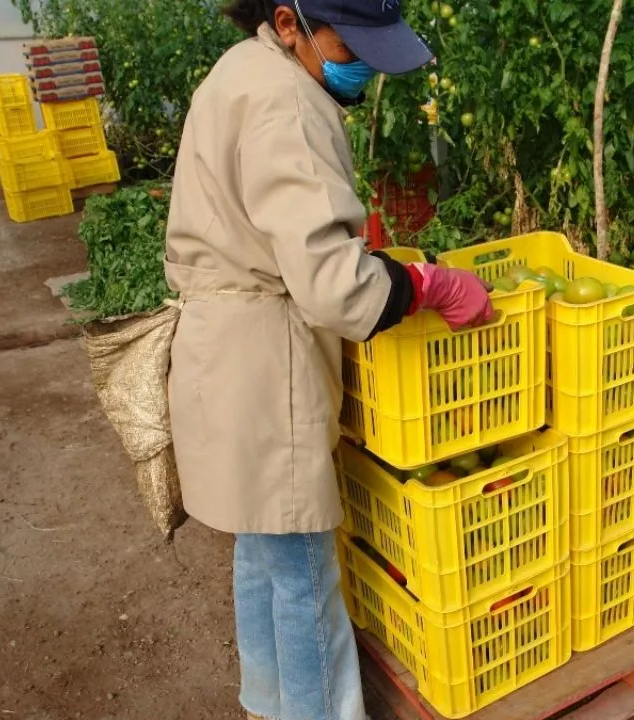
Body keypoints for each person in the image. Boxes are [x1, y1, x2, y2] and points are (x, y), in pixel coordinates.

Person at [162, 1, 494, 718]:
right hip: (260, 360)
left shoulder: (241, 72)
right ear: (291, 23)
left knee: (263, 553)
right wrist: (428, 283)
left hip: (219, 349)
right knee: (305, 572)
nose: (366, 67)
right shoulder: (289, 104)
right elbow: (336, 287)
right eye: (354, 45)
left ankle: (270, 702)